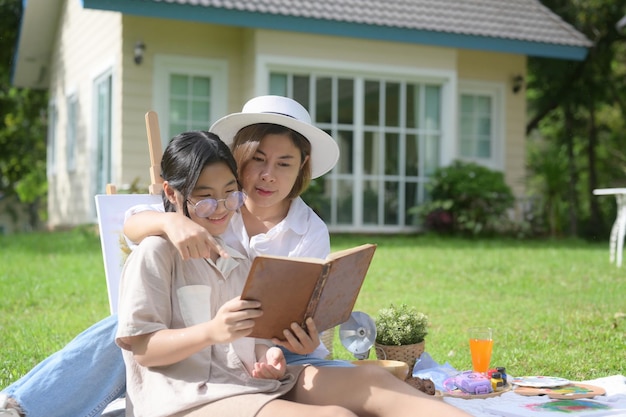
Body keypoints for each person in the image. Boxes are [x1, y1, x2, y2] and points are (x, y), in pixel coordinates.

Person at [117, 128, 469, 417]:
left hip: (255, 376)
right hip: (185, 395)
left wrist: (267, 355)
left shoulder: (243, 254)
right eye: (206, 197)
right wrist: (213, 330)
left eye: (229, 196)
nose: (221, 208)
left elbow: (248, 342)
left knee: (364, 399)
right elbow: (144, 349)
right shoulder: (158, 249)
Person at [124, 95, 343, 364]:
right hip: (198, 343)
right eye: (257, 159)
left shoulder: (309, 230)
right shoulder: (216, 206)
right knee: (115, 332)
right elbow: (132, 225)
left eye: (284, 163)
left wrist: (306, 340)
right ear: (238, 156)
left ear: (303, 165)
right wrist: (170, 222)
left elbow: (308, 309)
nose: (268, 175)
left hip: (278, 351)